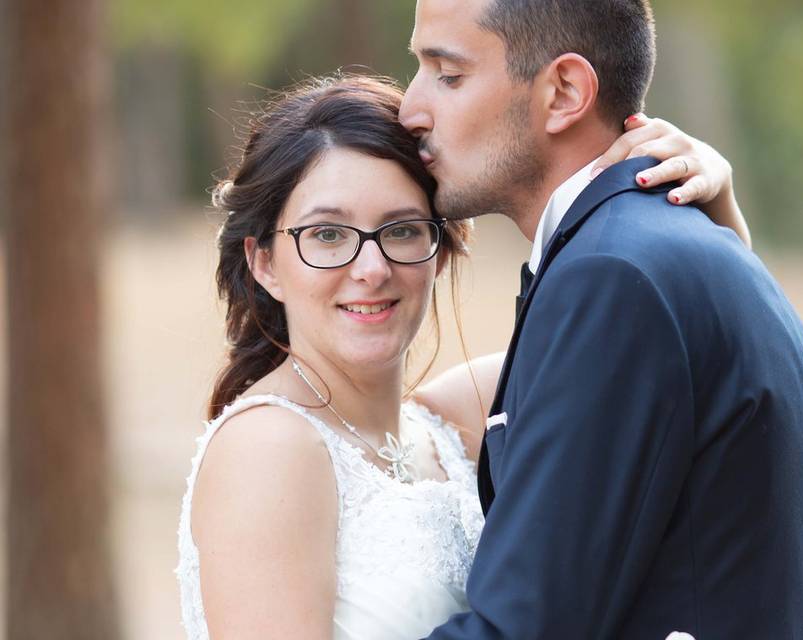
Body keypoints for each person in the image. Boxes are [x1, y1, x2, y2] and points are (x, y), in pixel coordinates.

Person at [175, 73, 752, 639]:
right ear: (265, 263)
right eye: (327, 235)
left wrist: (713, 205)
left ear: (441, 252)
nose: (371, 269)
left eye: (400, 230)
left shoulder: (470, 413)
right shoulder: (270, 447)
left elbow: (678, 355)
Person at [399, 0, 803, 638]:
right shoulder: (665, 246)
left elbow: (526, 628)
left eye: (448, 74)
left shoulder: (613, 276)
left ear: (565, 92)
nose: (410, 109)